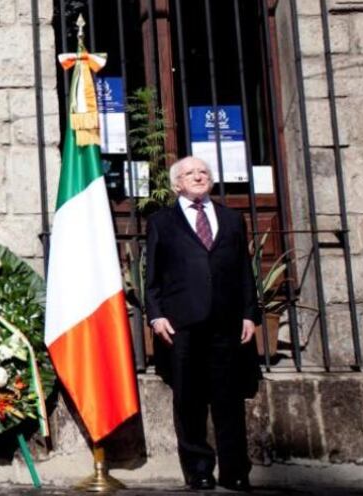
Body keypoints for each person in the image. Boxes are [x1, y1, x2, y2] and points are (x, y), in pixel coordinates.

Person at [144, 155, 260, 492]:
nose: (198, 176)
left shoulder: (232, 218)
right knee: (189, 399)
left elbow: (244, 272)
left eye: (203, 172)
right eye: (189, 173)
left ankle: (236, 470)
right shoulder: (162, 222)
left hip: (226, 323)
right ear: (176, 184)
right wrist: (156, 314)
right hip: (182, 324)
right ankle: (198, 470)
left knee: (229, 398)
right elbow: (151, 276)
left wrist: (250, 313)